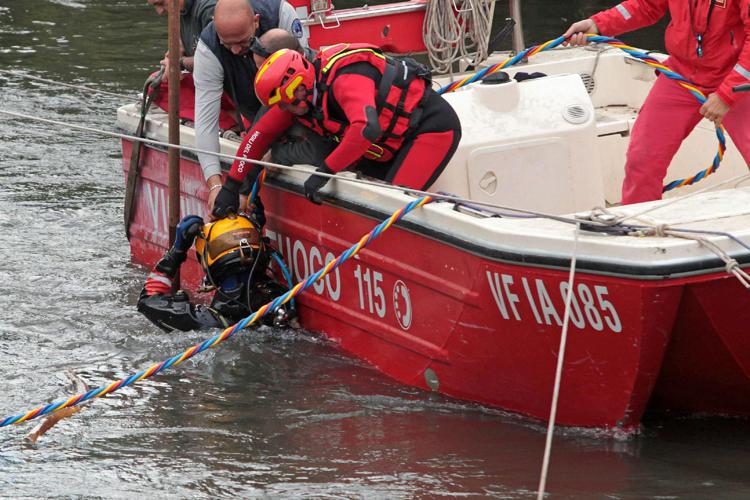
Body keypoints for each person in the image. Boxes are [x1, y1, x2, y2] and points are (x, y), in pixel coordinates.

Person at [211, 44, 462, 216]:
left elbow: (366, 128)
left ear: (299, 84)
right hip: (385, 148)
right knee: (373, 201)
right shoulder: (294, 100)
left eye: (288, 102)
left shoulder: (345, 79)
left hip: (429, 130)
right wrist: (231, 187)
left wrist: (325, 172)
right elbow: (258, 137)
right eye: (282, 105)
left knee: (392, 207)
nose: (287, 110)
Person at [564, 0, 750, 205]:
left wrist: (726, 95)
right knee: (642, 160)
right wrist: (598, 24)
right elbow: (646, 5)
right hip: (682, 73)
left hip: (738, 81)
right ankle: (639, 227)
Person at [193, 0, 309, 208]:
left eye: (244, 42)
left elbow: (305, 78)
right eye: (227, 45)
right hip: (253, 113)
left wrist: (240, 188)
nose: (236, 51)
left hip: (295, 105)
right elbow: (205, 121)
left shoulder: (281, 15)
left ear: (256, 21)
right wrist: (215, 183)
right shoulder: (208, 48)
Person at [138, 212, 294, 331]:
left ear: (209, 263)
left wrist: (178, 250)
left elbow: (147, 301)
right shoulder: (279, 299)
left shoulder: (202, 321)